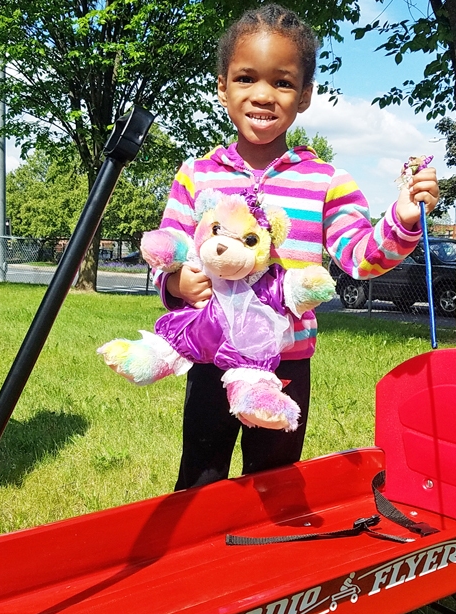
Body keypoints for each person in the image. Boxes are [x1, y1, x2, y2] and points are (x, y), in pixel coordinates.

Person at [154, 4, 439, 491]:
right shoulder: (196, 174)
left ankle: (263, 558)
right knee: (200, 478)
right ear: (222, 86)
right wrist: (176, 282)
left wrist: (404, 219)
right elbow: (168, 252)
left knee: (274, 481)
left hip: (288, 361)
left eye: (283, 82)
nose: (263, 95)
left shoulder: (327, 180)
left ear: (305, 95)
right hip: (210, 358)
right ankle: (200, 563)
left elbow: (359, 257)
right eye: (246, 78)